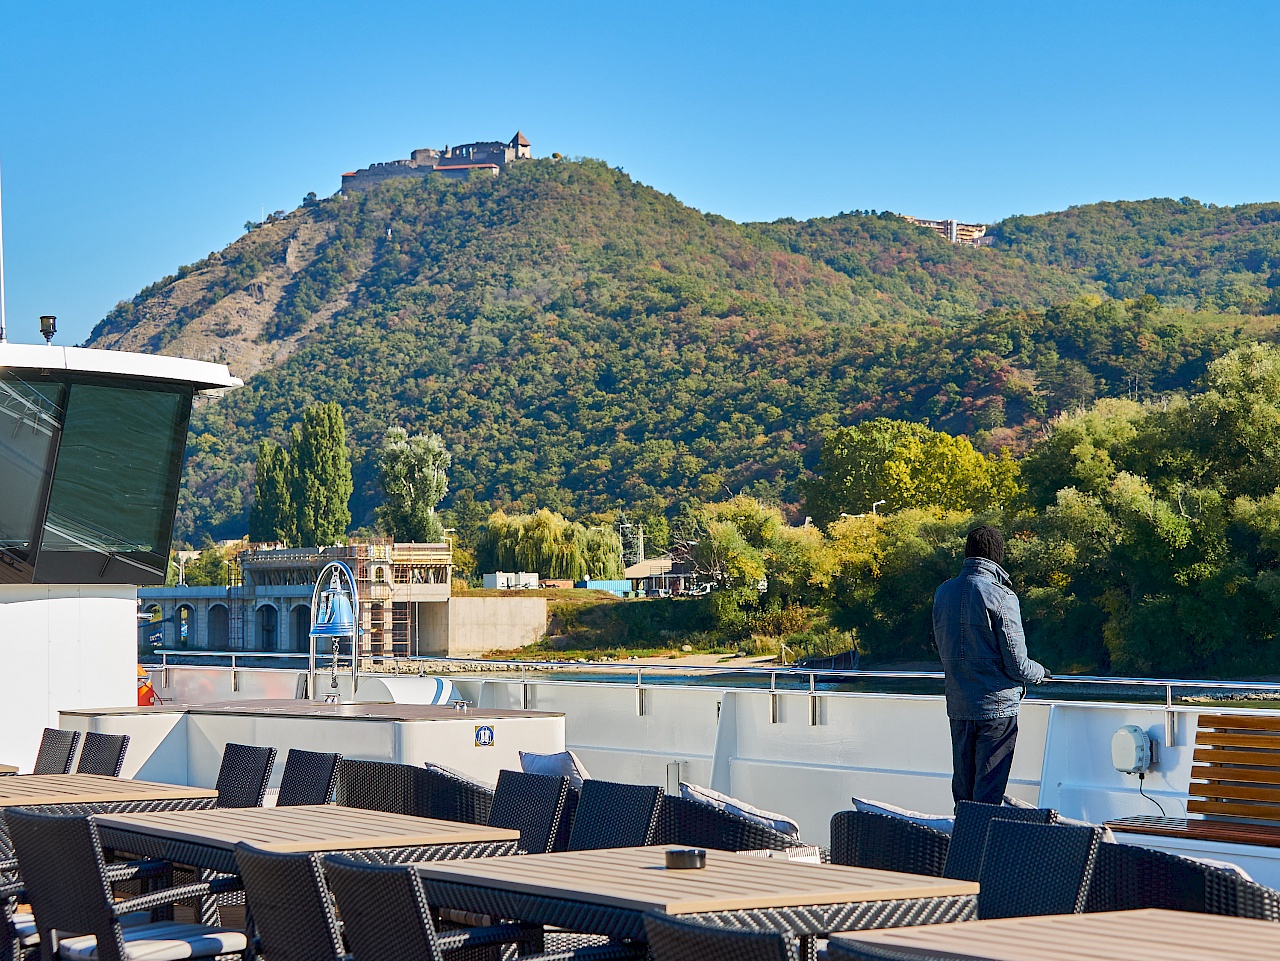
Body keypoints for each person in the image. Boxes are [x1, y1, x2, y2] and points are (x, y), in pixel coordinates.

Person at [933, 525, 1048, 806]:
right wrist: (1041, 673)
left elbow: (942, 647)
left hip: (959, 708)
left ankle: (962, 847)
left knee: (963, 796)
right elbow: (1018, 664)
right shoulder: (1002, 596)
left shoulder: (943, 593)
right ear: (998, 555)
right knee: (987, 796)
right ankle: (983, 848)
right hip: (996, 711)